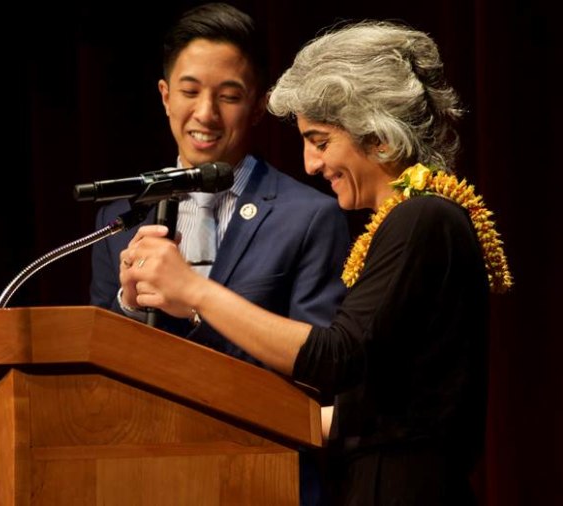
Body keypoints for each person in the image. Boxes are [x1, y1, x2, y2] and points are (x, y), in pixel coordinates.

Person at [120, 20, 513, 506]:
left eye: (321, 140)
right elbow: (385, 404)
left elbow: (335, 356)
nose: (309, 164)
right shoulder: (416, 219)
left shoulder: (423, 217)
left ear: (380, 136)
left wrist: (197, 291)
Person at [90, 3, 350, 367]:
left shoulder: (309, 217)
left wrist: (194, 307)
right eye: (190, 92)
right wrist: (129, 305)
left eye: (228, 97)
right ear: (165, 97)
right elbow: (97, 361)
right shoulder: (119, 219)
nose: (206, 114)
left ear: (258, 107)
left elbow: (318, 366)